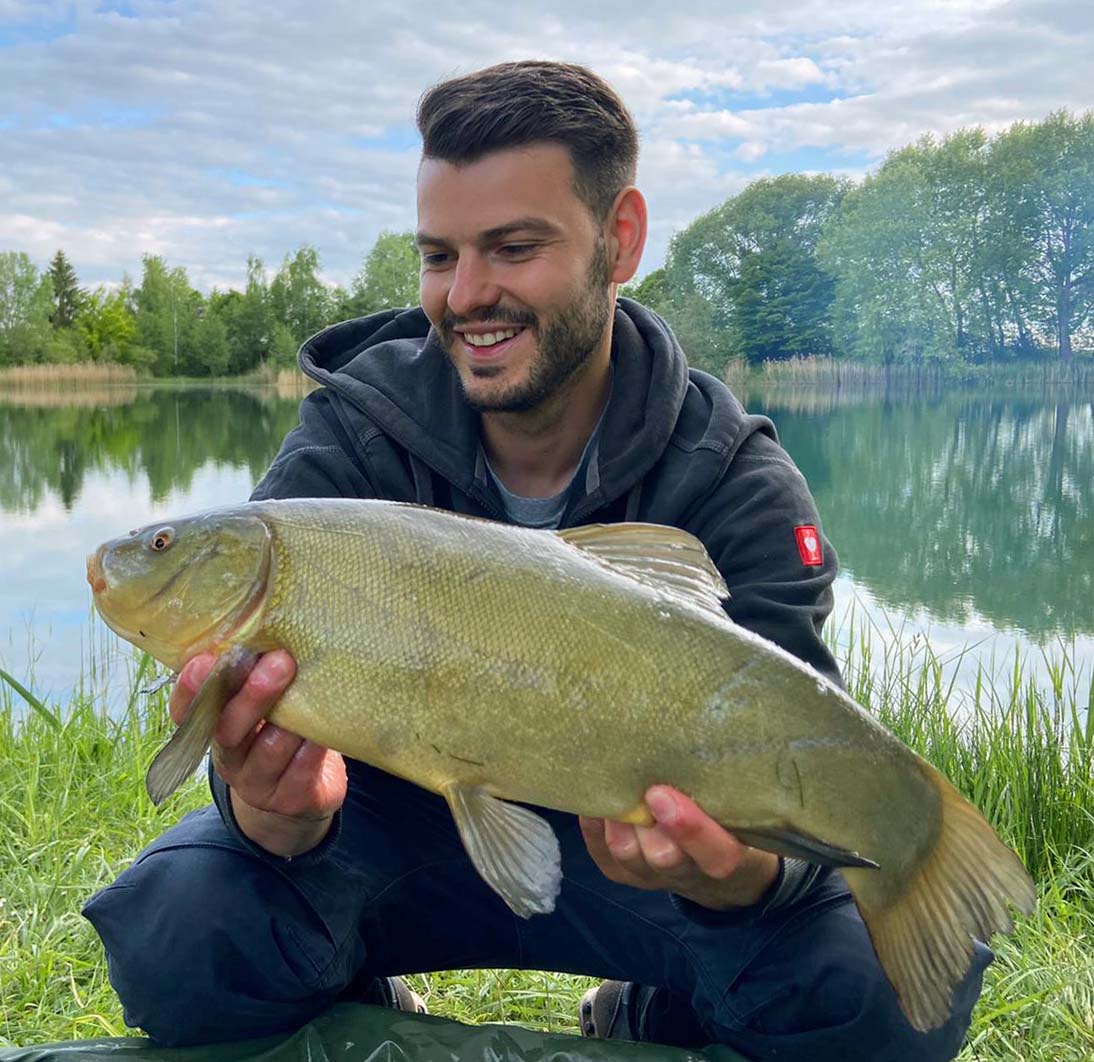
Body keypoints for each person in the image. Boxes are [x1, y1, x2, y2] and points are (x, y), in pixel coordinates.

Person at [83, 61, 990, 1061]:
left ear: (620, 239)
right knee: (178, 929)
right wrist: (275, 816)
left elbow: (798, 750)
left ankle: (652, 1017)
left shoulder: (732, 472)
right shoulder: (350, 438)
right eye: (439, 256)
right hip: (390, 837)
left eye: (513, 248)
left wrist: (737, 879)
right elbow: (251, 751)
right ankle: (357, 997)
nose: (468, 295)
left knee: (872, 997)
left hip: (642, 860)